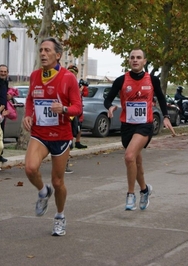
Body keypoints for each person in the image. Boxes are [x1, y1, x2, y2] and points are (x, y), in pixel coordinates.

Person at [23, 37, 82, 236]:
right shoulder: (34, 76)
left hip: (61, 135)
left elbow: (78, 108)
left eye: (47, 50)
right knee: (30, 168)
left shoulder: (68, 78)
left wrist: (64, 109)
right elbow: (30, 99)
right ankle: (42, 191)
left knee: (58, 182)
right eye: (41, 50)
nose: (42, 54)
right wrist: (28, 115)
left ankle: (60, 215)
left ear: (58, 55)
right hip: (39, 133)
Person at [104, 48, 176, 211]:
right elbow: (107, 98)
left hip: (145, 125)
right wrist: (110, 107)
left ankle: (131, 194)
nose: (135, 60)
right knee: (136, 162)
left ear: (144, 61)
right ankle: (145, 190)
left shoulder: (153, 80)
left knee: (129, 157)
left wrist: (165, 116)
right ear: (129, 61)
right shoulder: (121, 80)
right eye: (132, 58)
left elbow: (162, 99)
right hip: (127, 126)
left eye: (139, 58)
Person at [67, 64, 89, 149]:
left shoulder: (79, 83)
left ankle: (78, 142)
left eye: (74, 72)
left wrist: (82, 90)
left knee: (79, 125)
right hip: (70, 107)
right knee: (70, 125)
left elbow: (86, 93)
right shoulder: (66, 81)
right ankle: (70, 142)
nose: (72, 74)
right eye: (70, 72)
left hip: (79, 108)